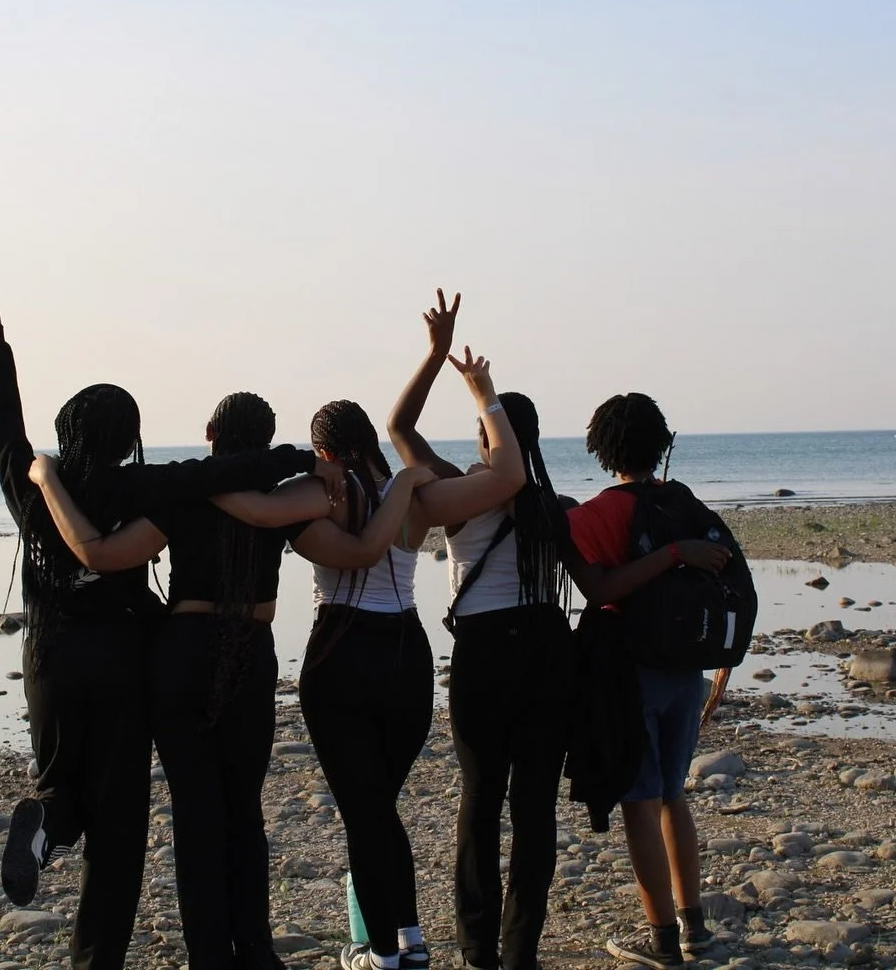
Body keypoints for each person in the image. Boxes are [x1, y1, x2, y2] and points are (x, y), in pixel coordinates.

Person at [0, 264, 341, 970]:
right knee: (121, 830)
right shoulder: (142, 484)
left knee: (62, 783)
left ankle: (46, 817)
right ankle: (101, 959)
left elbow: (1, 423)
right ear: (127, 437)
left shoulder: (30, 486)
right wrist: (296, 460)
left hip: (50, 661)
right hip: (126, 661)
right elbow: (214, 476)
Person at [29, 391, 435, 970]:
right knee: (244, 813)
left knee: (196, 817)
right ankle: (257, 951)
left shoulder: (182, 500)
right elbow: (358, 552)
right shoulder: (278, 509)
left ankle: (211, 957)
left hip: (182, 655)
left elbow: (101, 556)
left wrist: (47, 480)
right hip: (251, 652)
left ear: (213, 433)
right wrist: (395, 487)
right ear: (265, 443)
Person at [217, 348, 525, 970]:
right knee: (380, 804)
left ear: (322, 451)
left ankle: (381, 953)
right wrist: (483, 394)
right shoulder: (413, 497)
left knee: (365, 810)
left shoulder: (319, 492)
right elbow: (510, 475)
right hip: (409, 659)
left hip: (342, 652)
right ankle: (408, 938)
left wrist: (195, 487)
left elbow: (261, 512)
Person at [386, 290, 576, 970]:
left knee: (479, 802)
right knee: (533, 809)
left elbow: (397, 428)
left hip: (485, 651)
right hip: (549, 648)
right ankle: (518, 950)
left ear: (486, 439)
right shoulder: (556, 507)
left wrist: (438, 357)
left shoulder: (463, 494)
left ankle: (476, 951)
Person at [566, 393, 730, 970]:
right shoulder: (684, 503)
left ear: (600, 448)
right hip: (686, 670)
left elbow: (600, 592)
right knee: (673, 795)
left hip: (626, 672)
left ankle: (661, 939)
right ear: (662, 443)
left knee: (639, 801)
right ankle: (695, 926)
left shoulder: (591, 516)